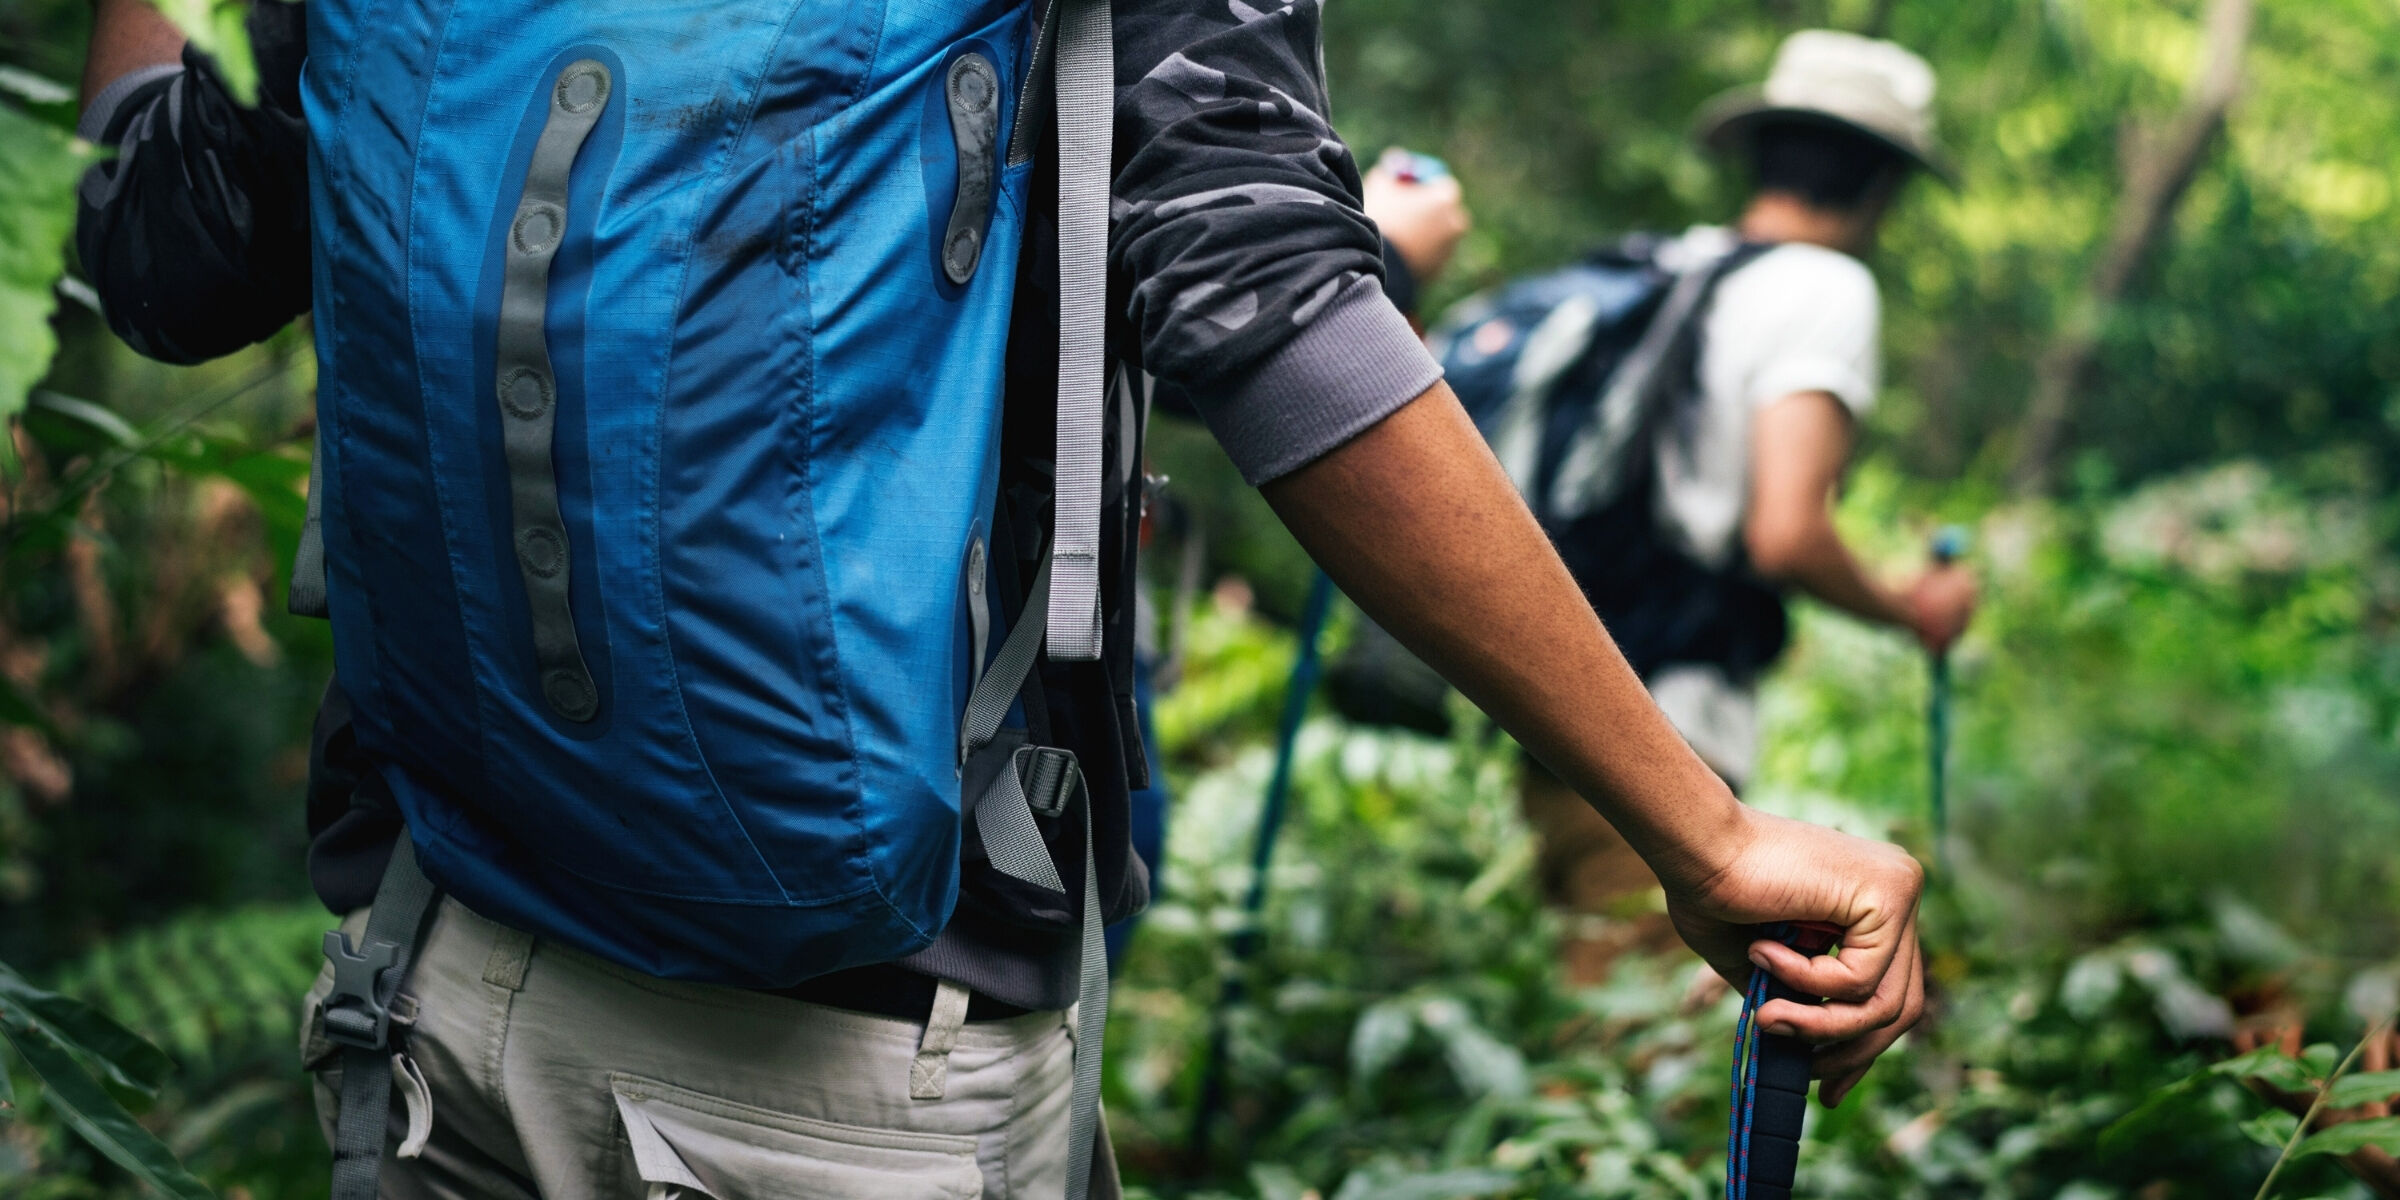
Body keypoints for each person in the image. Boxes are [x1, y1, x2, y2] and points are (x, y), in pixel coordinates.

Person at [77, 5, 1927, 1197]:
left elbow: (160, 259)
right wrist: (1705, 831)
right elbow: (1265, 308)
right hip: (850, 1060)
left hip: (428, 955)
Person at [1456, 30, 1980, 985]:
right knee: (1637, 1029)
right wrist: (1912, 609)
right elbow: (1786, 532)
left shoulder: (1673, 267)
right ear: (1881, 184)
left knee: (1594, 1001)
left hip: (1560, 702)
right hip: (1668, 736)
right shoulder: (1825, 288)